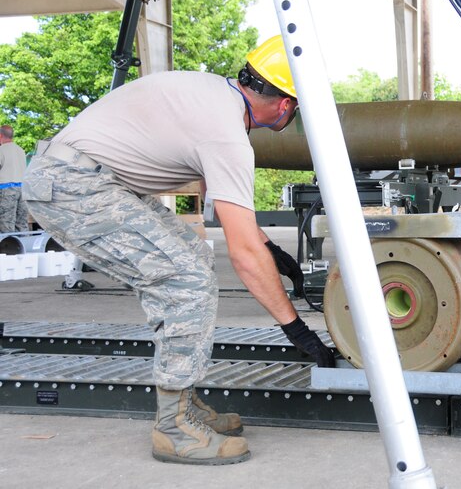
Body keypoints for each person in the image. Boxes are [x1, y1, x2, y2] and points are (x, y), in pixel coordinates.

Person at [23, 35, 334, 465]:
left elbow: (229, 215)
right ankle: (174, 428)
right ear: (285, 105)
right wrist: (295, 327)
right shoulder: (226, 135)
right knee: (186, 278)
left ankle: (182, 401)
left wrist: (268, 249)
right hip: (73, 188)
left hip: (86, 178)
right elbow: (242, 254)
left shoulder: (213, 94)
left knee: (192, 255)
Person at [0, 125, 29, 233]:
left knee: (6, 223)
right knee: (21, 223)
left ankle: (9, 248)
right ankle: (24, 246)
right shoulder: (20, 150)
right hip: (22, 189)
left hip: (7, 189)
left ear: (0, 136)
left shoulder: (1, 150)